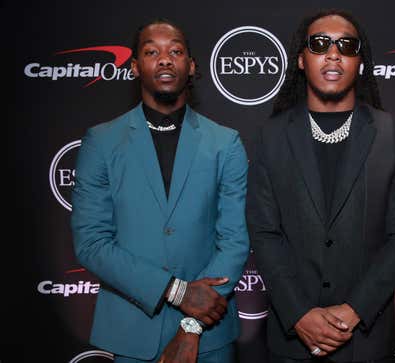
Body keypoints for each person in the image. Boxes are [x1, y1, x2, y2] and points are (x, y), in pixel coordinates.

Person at [246, 9, 395, 363]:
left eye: (346, 45)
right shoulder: (272, 136)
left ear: (359, 61)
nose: (333, 53)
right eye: (319, 44)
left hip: (366, 339)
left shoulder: (392, 133)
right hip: (292, 340)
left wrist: (355, 310)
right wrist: (299, 314)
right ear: (300, 59)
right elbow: (264, 233)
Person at [71, 18, 249, 363]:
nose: (165, 59)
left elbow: (235, 241)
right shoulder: (102, 141)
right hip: (131, 333)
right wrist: (177, 291)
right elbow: (91, 243)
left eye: (176, 51)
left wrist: (191, 326)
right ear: (135, 67)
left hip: (208, 335)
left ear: (192, 65)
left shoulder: (225, 142)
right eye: (152, 51)